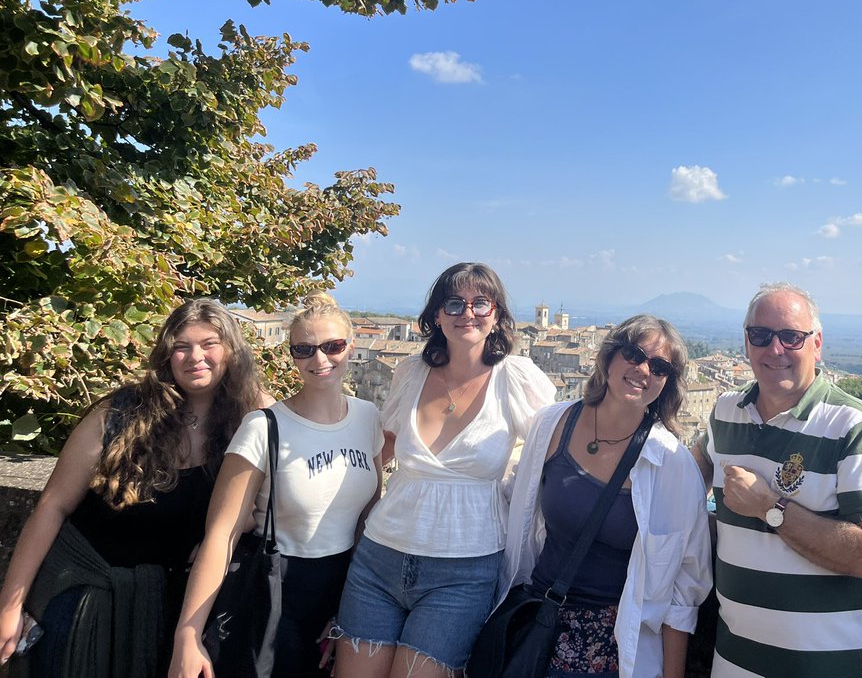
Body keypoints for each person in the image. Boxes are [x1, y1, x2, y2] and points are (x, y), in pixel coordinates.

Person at [0, 299, 267, 678]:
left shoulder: (252, 422)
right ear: (166, 355)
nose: (195, 357)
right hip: (82, 584)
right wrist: (9, 607)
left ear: (231, 352)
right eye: (181, 346)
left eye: (210, 344)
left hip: (165, 602)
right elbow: (52, 506)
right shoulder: (121, 414)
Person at [333, 262, 556, 678]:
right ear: (436, 315)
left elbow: (558, 450)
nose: (466, 313)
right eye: (453, 303)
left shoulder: (516, 378)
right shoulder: (411, 372)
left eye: (480, 303)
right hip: (379, 556)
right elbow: (386, 447)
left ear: (497, 314)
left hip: (464, 570)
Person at [692, 282, 862, 678]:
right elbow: (679, 481)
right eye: (761, 335)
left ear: (817, 343)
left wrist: (768, 507)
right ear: (746, 342)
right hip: (735, 662)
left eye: (791, 337)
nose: (775, 350)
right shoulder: (724, 413)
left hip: (832, 666)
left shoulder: (855, 427)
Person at [169, 291, 383, 678]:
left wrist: (350, 606)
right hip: (274, 591)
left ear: (351, 347)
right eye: (304, 349)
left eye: (332, 346)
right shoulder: (264, 426)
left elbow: (368, 519)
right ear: (292, 355)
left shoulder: (368, 419)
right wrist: (188, 633)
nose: (319, 360)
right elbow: (222, 534)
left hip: (343, 592)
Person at [500, 314, 713, 678]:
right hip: (534, 627)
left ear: (667, 383)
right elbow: (519, 513)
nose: (644, 369)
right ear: (610, 356)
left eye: (659, 367)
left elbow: (683, 589)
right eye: (634, 354)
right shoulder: (552, 425)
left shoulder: (672, 465)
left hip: (614, 647)